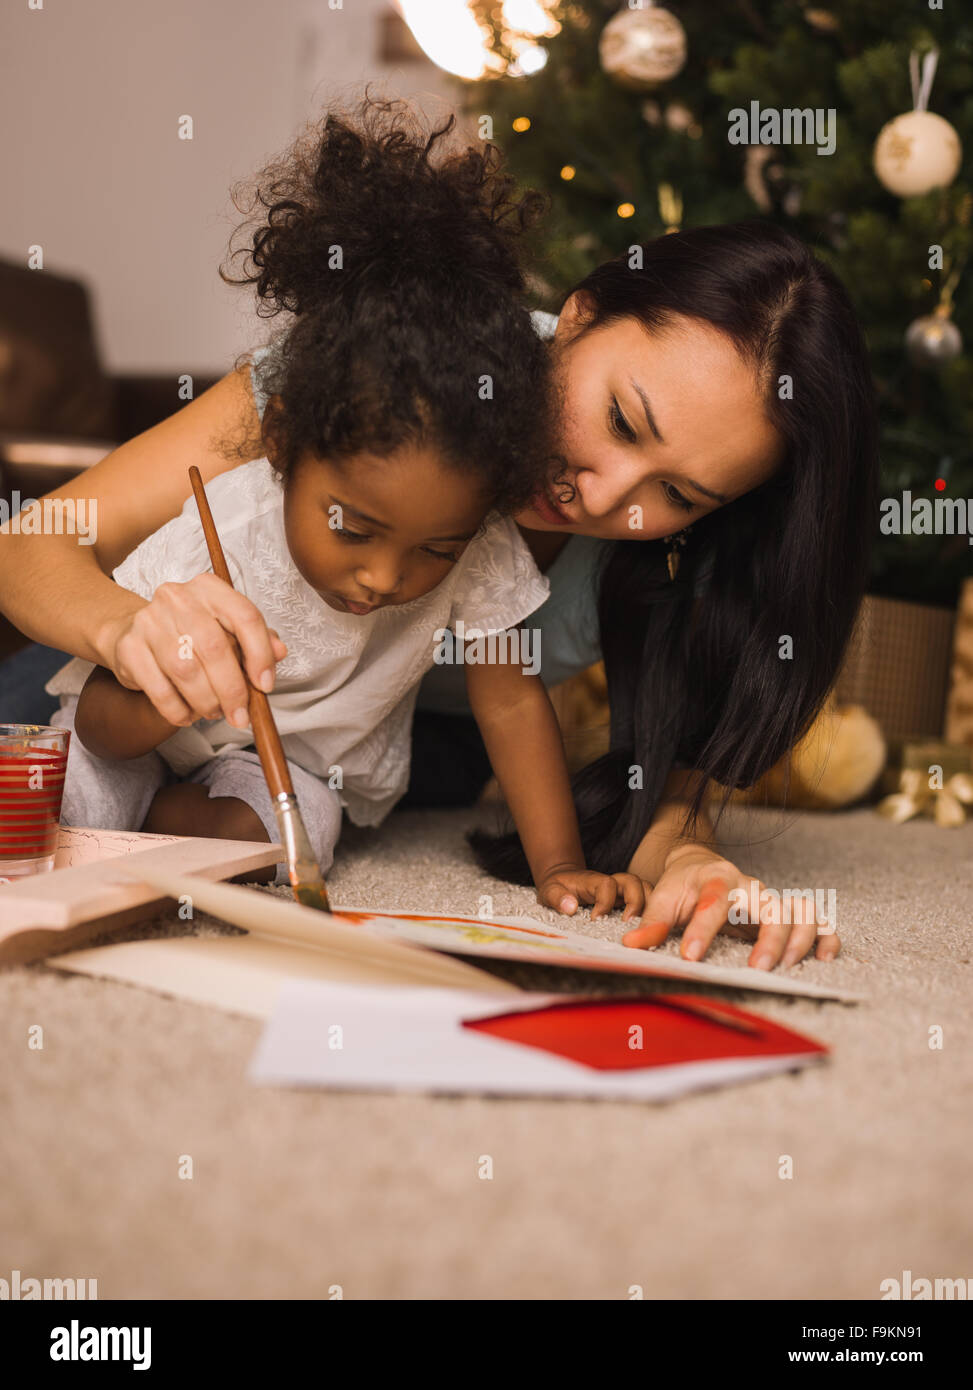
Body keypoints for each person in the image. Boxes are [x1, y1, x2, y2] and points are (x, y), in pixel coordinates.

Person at [0, 106, 879, 969]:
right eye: (618, 418)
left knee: (360, 804)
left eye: (678, 492)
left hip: (376, 751)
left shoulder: (674, 553)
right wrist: (129, 633)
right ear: (574, 318)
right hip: (141, 659)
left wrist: (685, 853)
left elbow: (656, 756)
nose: (602, 494)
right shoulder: (378, 374)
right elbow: (32, 540)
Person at [35, 99, 649, 918]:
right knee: (66, 800)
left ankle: (153, 841)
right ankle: (120, 834)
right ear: (283, 443)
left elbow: (508, 699)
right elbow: (106, 729)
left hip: (286, 765)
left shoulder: (485, 545)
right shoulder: (222, 520)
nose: (385, 577)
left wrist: (559, 864)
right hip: (131, 734)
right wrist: (162, 688)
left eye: (436, 548)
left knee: (292, 836)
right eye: (353, 527)